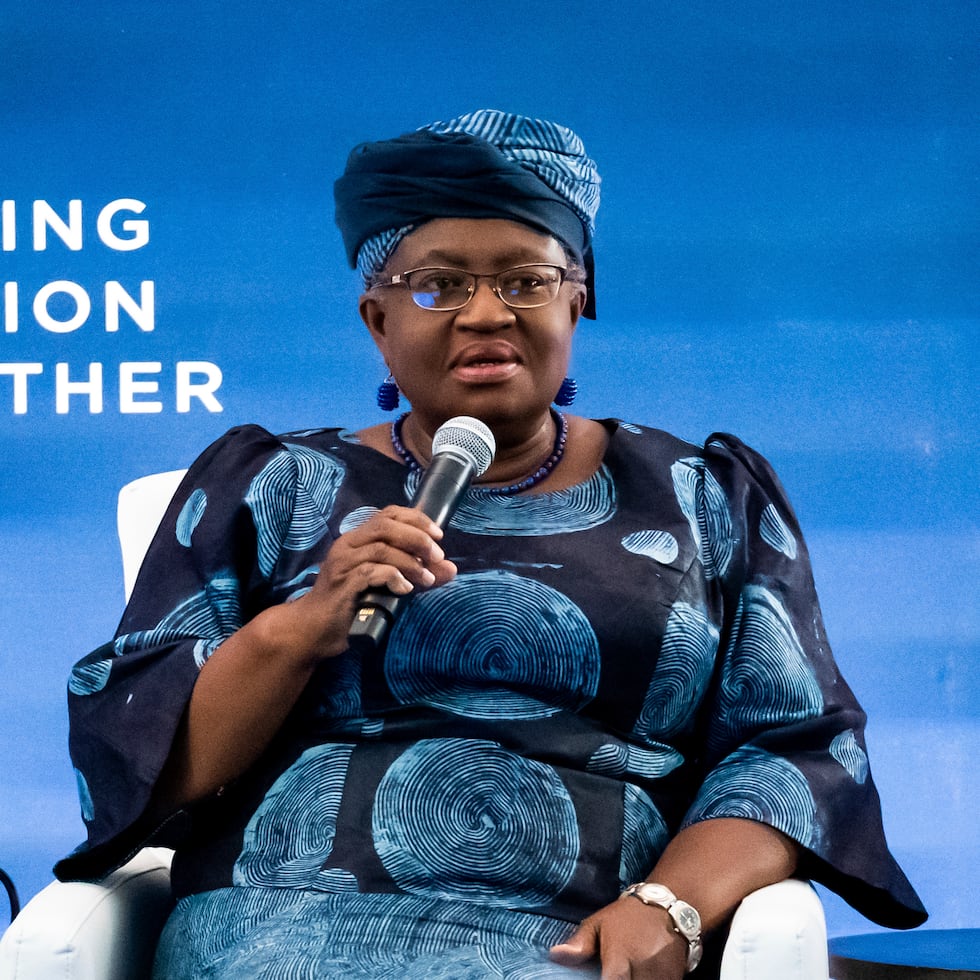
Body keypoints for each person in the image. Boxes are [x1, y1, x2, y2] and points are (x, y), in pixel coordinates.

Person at [58, 109, 926, 979]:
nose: (485, 314)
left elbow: (793, 751)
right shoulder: (274, 485)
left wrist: (673, 904)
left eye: (525, 281)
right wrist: (298, 627)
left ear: (578, 296)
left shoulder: (704, 495)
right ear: (377, 319)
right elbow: (141, 755)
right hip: (279, 932)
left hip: (574, 940)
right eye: (436, 286)